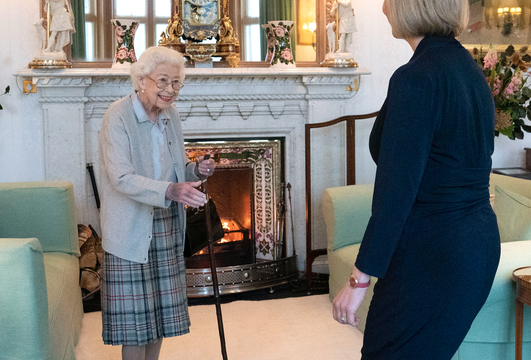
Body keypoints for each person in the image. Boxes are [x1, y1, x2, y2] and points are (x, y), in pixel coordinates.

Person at [332, 1, 500, 359]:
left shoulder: (417, 77)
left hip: (433, 254)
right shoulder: (468, 70)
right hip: (477, 247)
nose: (382, 8)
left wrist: (359, 278)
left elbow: (396, 192)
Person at [98, 46, 216, 360]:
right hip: (130, 230)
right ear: (141, 79)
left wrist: (196, 171)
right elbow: (121, 178)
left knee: (160, 319)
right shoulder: (117, 117)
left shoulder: (170, 116)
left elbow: (175, 170)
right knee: (137, 325)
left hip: (166, 225)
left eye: (176, 83)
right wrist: (171, 191)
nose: (170, 90)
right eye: (163, 80)